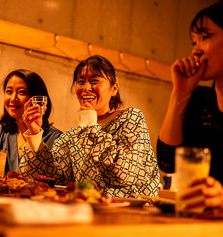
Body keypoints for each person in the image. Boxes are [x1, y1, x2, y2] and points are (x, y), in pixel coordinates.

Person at [19, 55, 159, 198]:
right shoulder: (72, 136)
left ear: (114, 88)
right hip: (88, 213)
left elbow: (124, 174)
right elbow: (48, 178)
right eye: (80, 82)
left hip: (131, 214)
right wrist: (35, 132)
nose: (86, 88)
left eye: (94, 81)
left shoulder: (131, 118)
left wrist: (90, 126)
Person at [157, 2, 223, 217]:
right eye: (194, 41)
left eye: (205, 37)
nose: (195, 50)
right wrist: (180, 93)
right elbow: (168, 162)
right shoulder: (200, 99)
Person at [0, 69, 62, 176]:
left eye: (21, 92)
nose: (13, 98)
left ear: (37, 99)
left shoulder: (56, 140)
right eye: (9, 92)